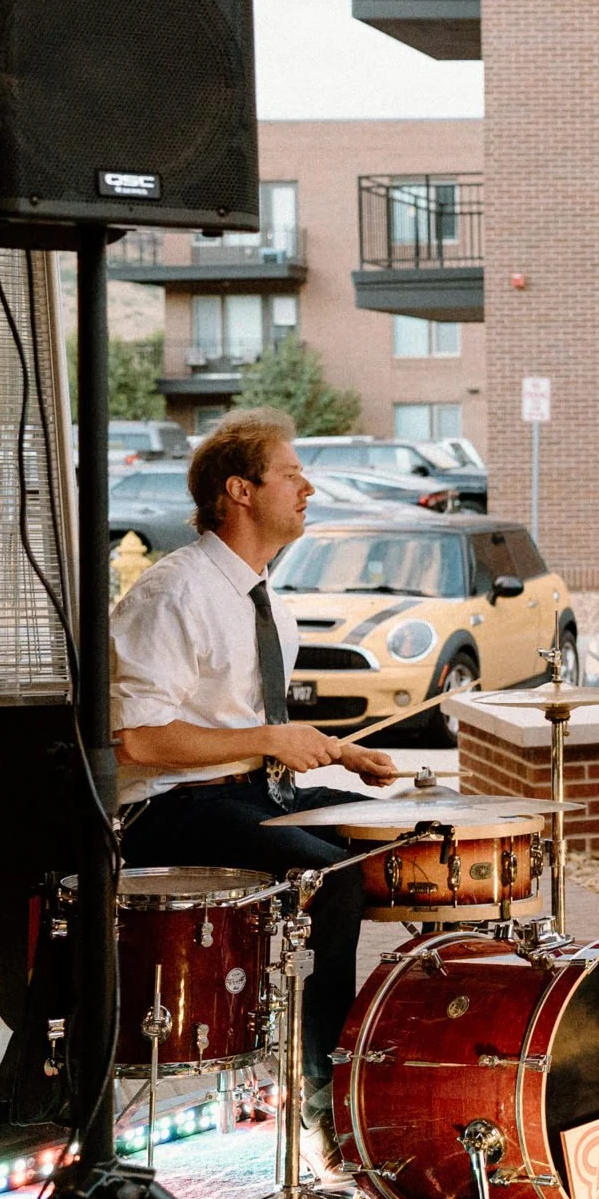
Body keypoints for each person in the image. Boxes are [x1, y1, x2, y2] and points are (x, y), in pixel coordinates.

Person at [113, 409, 400, 1122]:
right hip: (169, 810)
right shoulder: (173, 591)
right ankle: (323, 1090)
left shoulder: (270, 603)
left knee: (391, 838)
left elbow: (250, 731)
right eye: (292, 474)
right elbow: (137, 740)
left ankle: (393, 1049)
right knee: (328, 876)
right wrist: (273, 740)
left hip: (245, 794)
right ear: (238, 490)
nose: (309, 488)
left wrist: (337, 750)